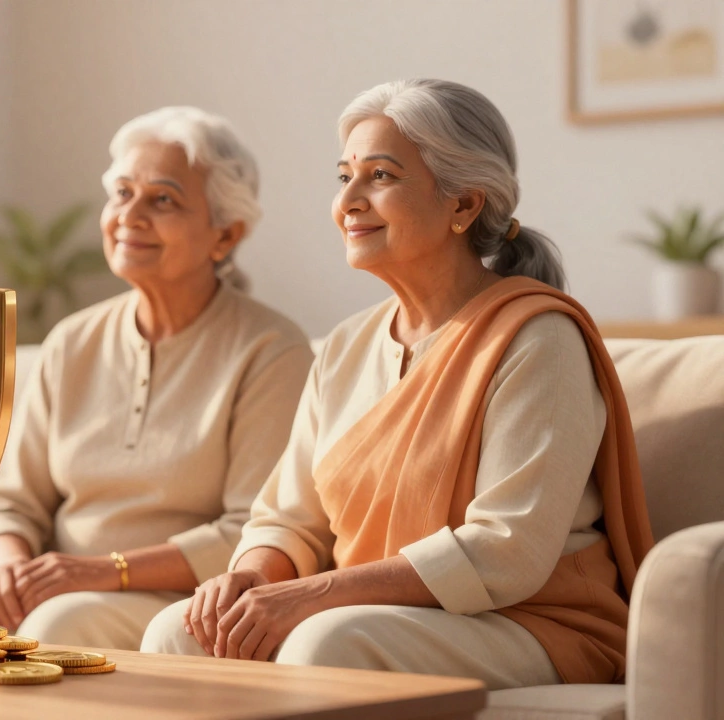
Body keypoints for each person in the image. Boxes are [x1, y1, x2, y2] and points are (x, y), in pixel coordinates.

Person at [142, 80, 654, 689]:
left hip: (529, 621)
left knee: (327, 640)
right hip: (370, 612)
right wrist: (252, 577)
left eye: (380, 176)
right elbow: (289, 519)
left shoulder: (538, 339)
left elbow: (505, 549)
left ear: (463, 205)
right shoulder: (343, 347)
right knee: (178, 633)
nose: (349, 202)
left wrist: (315, 596)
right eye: (344, 177)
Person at [0, 106, 314, 650]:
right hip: (58, 584)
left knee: (58, 627)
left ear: (224, 234)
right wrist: (8, 569)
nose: (130, 215)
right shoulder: (72, 341)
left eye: (162, 199)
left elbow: (252, 529)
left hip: (179, 597)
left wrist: (102, 571)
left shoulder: (270, 349)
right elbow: (7, 501)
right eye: (121, 192)